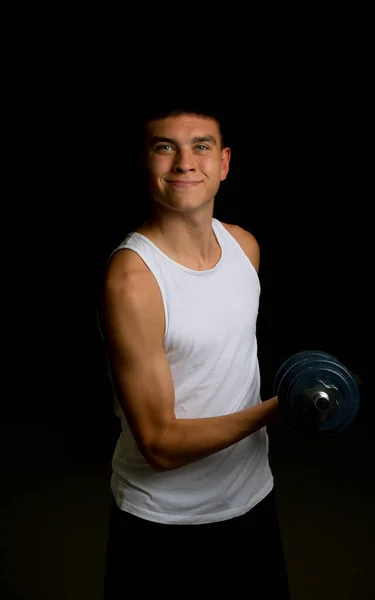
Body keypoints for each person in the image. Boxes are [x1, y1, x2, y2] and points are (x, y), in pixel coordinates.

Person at [99, 104, 291, 598]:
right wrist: (276, 412)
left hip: (251, 502)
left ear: (223, 164)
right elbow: (159, 444)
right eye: (166, 147)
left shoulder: (244, 247)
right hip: (163, 523)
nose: (185, 162)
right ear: (146, 163)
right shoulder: (134, 281)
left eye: (200, 146)